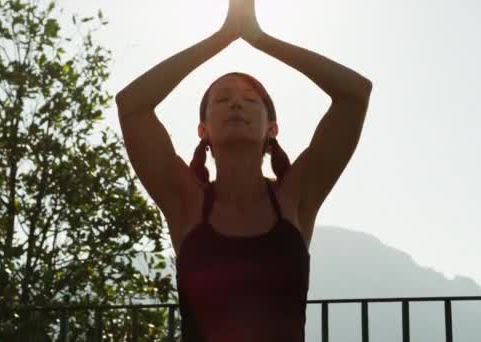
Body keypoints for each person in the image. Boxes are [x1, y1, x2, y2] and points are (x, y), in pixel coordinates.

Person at [115, 0, 372, 340]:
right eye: (222, 99)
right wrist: (221, 37)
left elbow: (355, 94)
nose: (236, 103)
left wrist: (258, 37)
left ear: (272, 128)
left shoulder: (295, 197)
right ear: (203, 130)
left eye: (251, 100)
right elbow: (131, 106)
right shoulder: (186, 202)